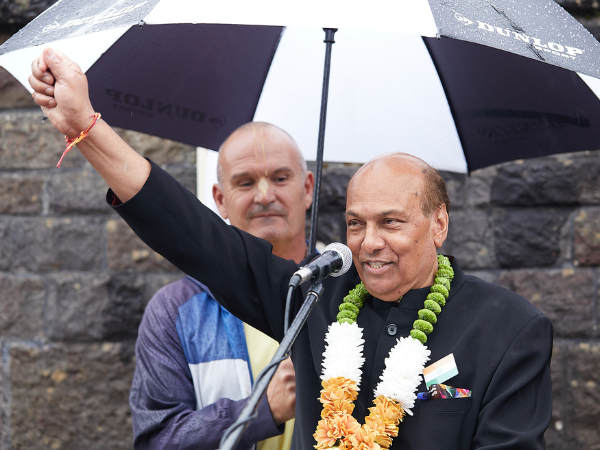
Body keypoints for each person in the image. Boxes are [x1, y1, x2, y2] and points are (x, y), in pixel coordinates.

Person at [30, 47, 553, 450]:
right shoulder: (313, 302)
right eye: (355, 223)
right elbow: (191, 233)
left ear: (438, 223)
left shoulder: (510, 328)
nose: (370, 243)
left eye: (391, 222)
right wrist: (86, 127)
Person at [129, 121, 314, 449]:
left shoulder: (351, 293)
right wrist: (258, 410)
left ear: (309, 187)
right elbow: (156, 441)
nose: (264, 195)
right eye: (245, 182)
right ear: (220, 199)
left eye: (280, 178)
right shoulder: (175, 311)